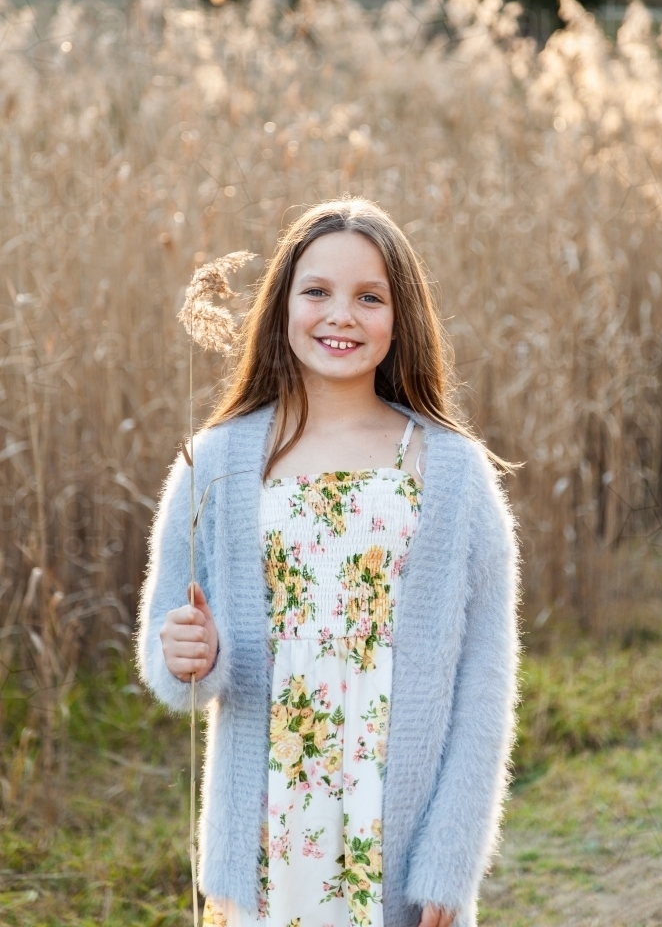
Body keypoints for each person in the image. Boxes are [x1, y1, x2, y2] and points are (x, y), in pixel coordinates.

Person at [137, 198, 519, 927]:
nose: (339, 315)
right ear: (282, 305)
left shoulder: (451, 470)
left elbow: (484, 681)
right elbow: (172, 646)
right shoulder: (216, 461)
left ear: (399, 318)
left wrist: (448, 861)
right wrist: (186, 654)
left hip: (397, 835)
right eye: (316, 291)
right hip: (267, 834)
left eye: (368, 297)